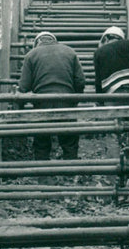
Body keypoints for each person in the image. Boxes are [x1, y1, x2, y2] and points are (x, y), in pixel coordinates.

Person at [18, 31, 85, 161]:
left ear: (37, 43)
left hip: (41, 102)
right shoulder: (70, 52)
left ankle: (43, 169)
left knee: (42, 141)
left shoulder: (31, 55)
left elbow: (24, 86)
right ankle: (71, 169)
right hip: (66, 101)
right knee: (69, 140)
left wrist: (20, 107)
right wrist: (75, 100)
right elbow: (80, 81)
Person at [93, 26, 129, 162]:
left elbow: (98, 81)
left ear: (106, 38)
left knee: (114, 131)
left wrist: (99, 102)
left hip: (112, 97)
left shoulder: (99, 52)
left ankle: (114, 163)